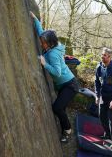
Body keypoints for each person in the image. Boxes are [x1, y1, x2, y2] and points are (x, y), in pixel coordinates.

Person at [30, 11, 78, 143]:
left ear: (50, 44)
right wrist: (35, 19)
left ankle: (67, 130)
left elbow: (56, 72)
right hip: (64, 84)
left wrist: (45, 64)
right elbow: (41, 32)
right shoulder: (50, 43)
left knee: (57, 108)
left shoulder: (52, 55)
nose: (41, 44)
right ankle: (65, 127)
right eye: (41, 42)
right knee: (60, 107)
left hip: (70, 85)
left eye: (43, 43)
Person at [95, 47, 112, 150]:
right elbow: (97, 82)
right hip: (103, 97)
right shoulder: (99, 67)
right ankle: (107, 134)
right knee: (102, 118)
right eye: (102, 54)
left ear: (110, 57)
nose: (102, 57)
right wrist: (97, 95)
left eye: (104, 55)